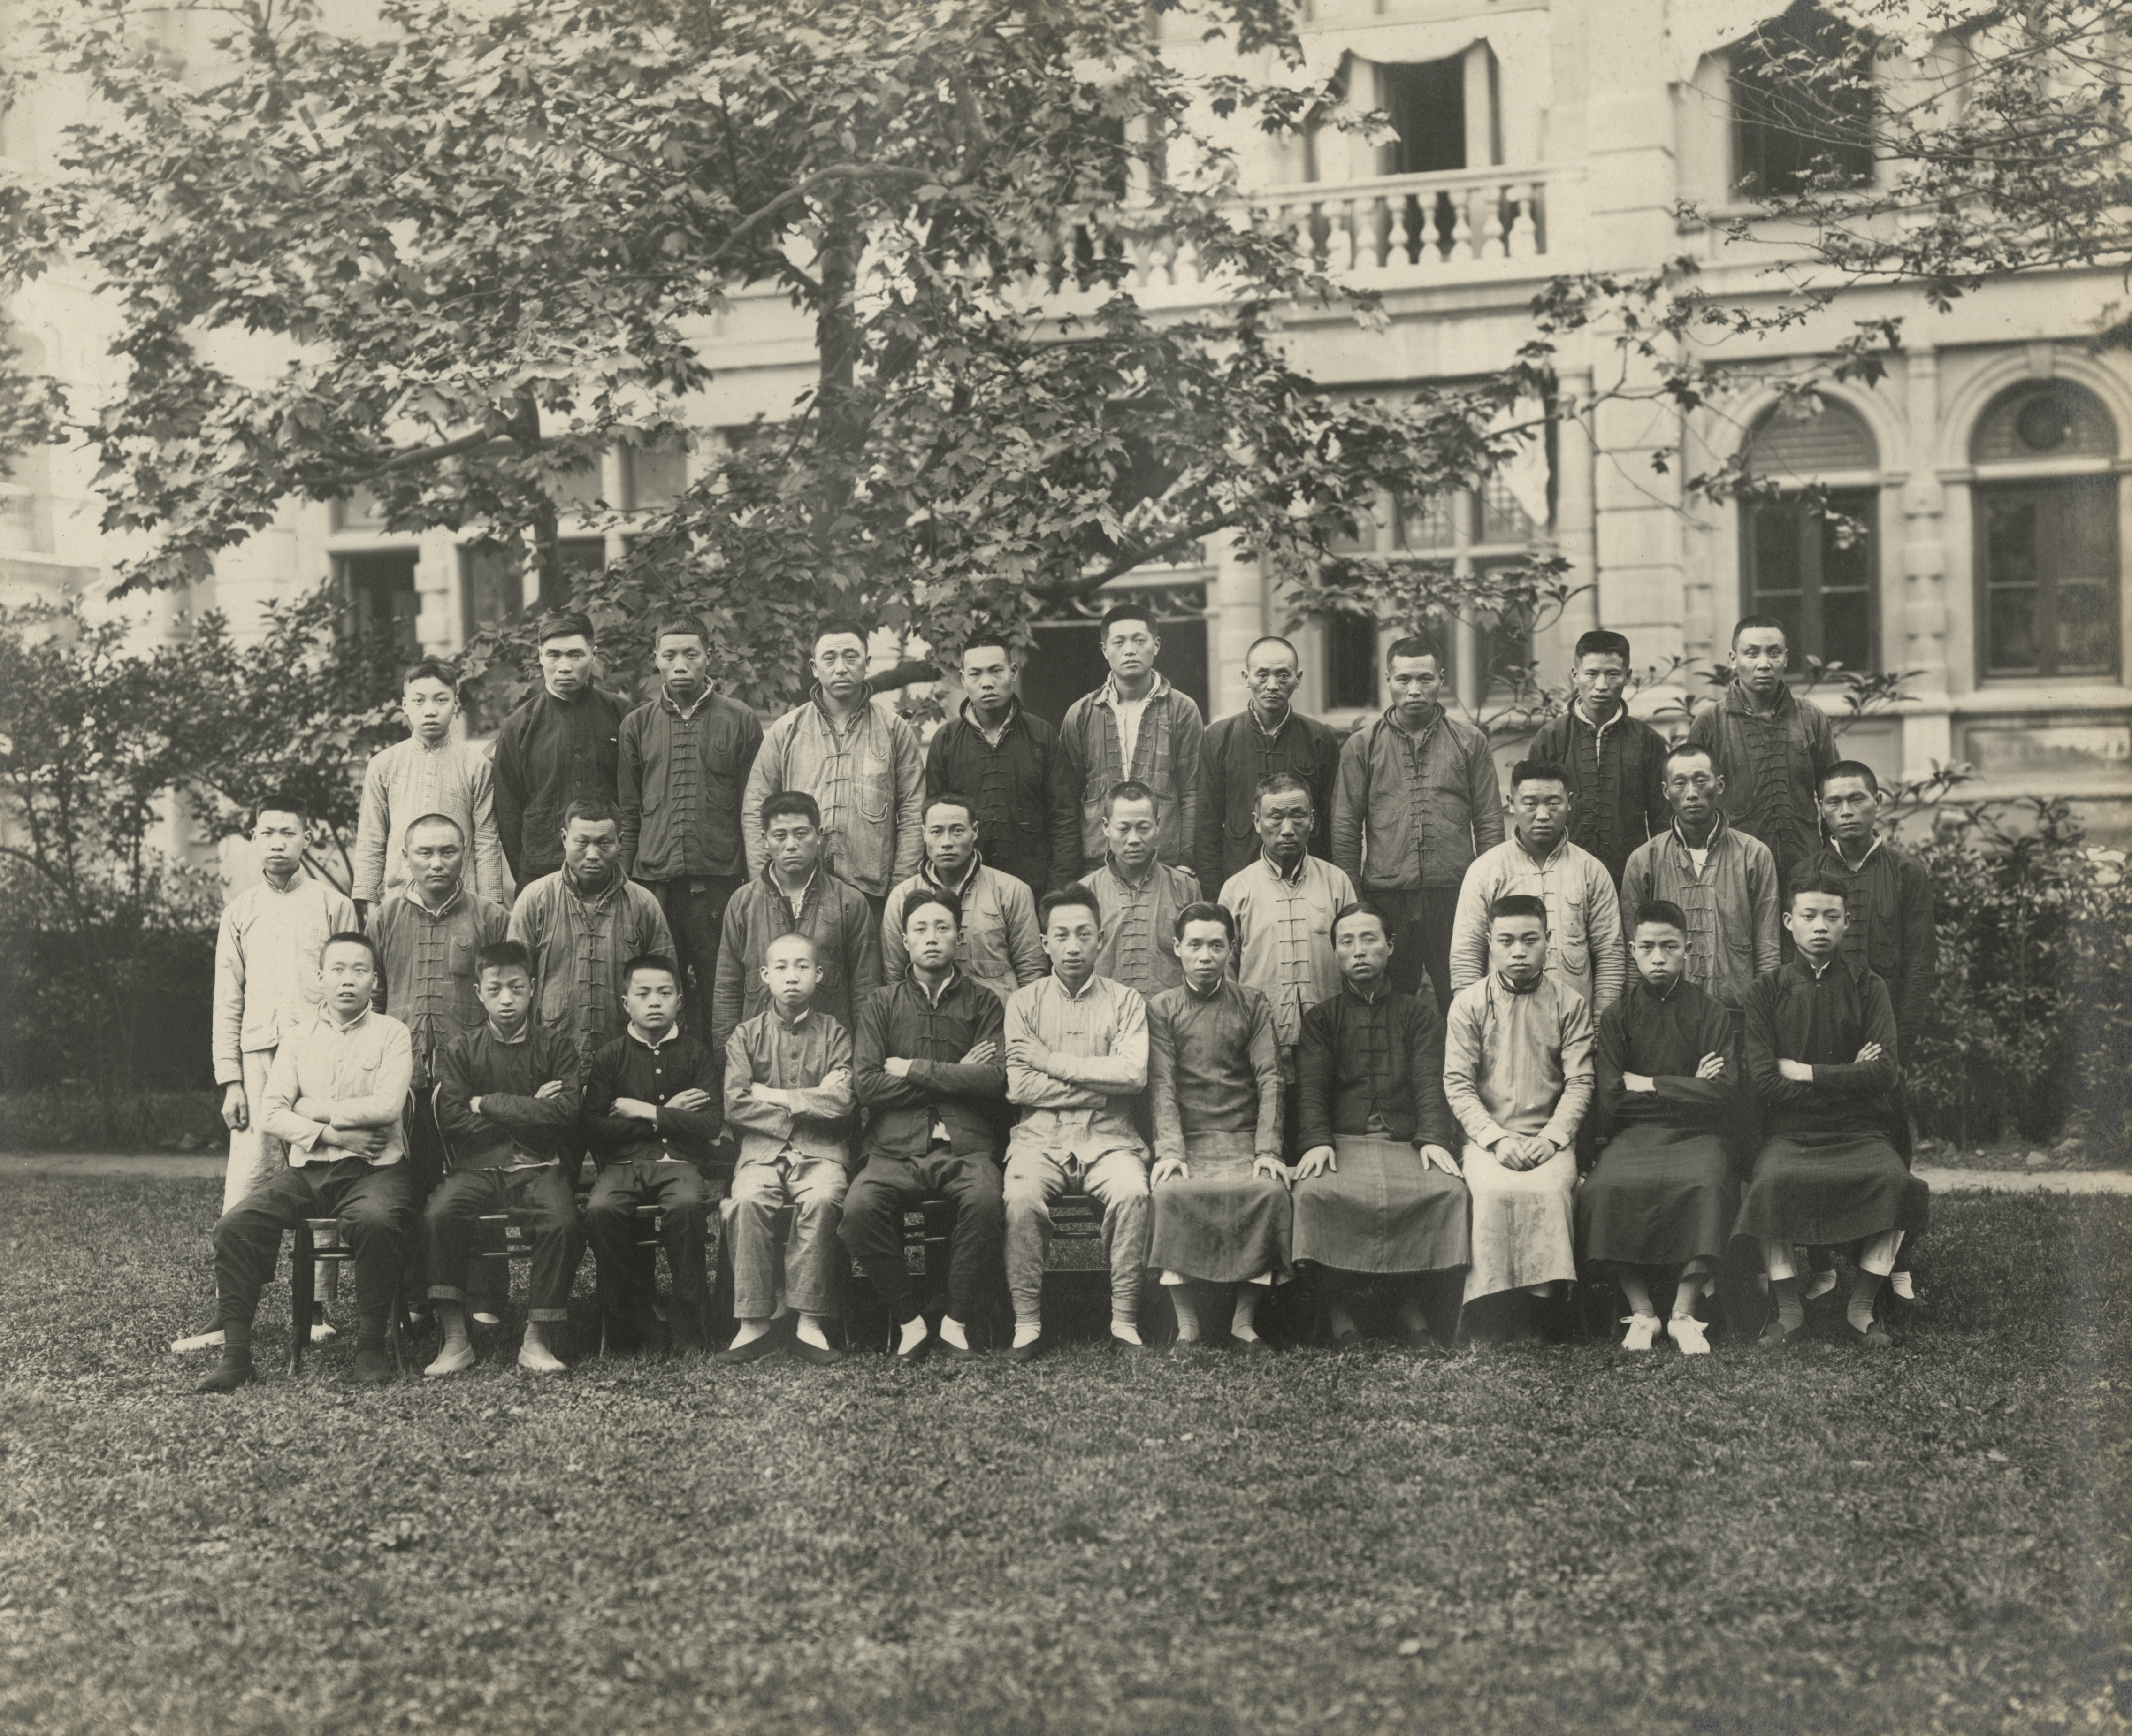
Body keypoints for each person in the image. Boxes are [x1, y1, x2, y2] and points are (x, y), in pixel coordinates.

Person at [177, 795, 359, 1356]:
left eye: (288, 832)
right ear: (254, 839)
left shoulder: (334, 906)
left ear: (308, 840)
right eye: (267, 832)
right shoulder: (241, 911)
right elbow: (226, 1000)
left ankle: (319, 1306)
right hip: (258, 1065)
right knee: (248, 1186)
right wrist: (230, 1079)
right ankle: (232, 1309)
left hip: (318, 1064)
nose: (277, 842)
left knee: (321, 1177)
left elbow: (354, 990)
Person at [194, 933, 414, 1392]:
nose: (348, 981)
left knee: (375, 1222)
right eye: (337, 970)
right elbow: (273, 1112)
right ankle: (237, 1357)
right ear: (320, 979)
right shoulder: (297, 1039)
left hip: (375, 1172)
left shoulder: (393, 1033)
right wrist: (331, 1131)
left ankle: (371, 1346)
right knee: (236, 1225)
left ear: (375, 980)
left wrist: (315, 1107)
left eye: (359, 970)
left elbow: (388, 1106)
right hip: (310, 1170)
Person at [1735, 879, 1930, 1349]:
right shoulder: (1764, 992)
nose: (1819, 927)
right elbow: (1764, 1082)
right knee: (1770, 1184)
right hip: (1789, 1134)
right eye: (1808, 916)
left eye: (1830, 917)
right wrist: (1848, 1079)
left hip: (1860, 1131)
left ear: (1846, 922)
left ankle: (1860, 1306)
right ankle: (1788, 1308)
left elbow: (1884, 1072)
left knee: (1894, 1183)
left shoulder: (1869, 988)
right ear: (1788, 923)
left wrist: (1805, 1073)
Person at [1291, 902, 1469, 1351]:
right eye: (1346, 942)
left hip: (1404, 1139)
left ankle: (1410, 1307)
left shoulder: (1418, 1014)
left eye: (1369, 939)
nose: (1358, 951)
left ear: (1390, 947)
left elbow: (1431, 1083)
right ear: (1335, 953)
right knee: (1314, 1195)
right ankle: (1338, 1311)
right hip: (1342, 1140)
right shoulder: (1321, 1019)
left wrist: (1432, 1137)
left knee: (1445, 1191)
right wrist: (1315, 1141)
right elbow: (1311, 1090)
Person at [845, 890, 1011, 1361]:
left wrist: (915, 1068)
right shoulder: (881, 1004)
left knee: (984, 1201)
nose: (931, 938)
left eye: (942, 928)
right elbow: (868, 1087)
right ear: (904, 940)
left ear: (959, 938)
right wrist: (956, 1073)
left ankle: (956, 1320)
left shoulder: (985, 1002)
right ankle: (909, 1320)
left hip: (965, 1145)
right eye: (920, 929)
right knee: (859, 1208)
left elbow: (994, 1081)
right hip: (895, 1147)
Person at [1577, 901, 1740, 1355]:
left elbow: (1724, 1091)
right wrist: (1691, 1084)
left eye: (1669, 947)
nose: (1658, 957)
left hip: (1698, 1135)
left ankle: (1684, 1312)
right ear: (1632, 950)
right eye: (1647, 947)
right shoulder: (1615, 1018)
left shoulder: (1711, 1013)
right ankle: (1643, 1310)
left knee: (1706, 1185)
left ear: (1686, 949)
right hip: (1634, 1135)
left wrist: (1648, 1082)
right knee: (1601, 1191)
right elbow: (1611, 1096)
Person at [1001, 885, 1154, 1360]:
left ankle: (1125, 1322)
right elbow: (1019, 1088)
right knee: (1021, 1198)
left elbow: (1133, 1075)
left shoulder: (1126, 1001)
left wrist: (1051, 1061)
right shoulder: (1022, 1003)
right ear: (1044, 942)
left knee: (1133, 1193)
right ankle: (1027, 1324)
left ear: (1100, 939)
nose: (1072, 946)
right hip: (1039, 1140)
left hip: (1109, 1139)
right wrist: (1097, 1082)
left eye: (1083, 934)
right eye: (1061, 935)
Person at [368, 812, 509, 1320]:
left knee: (478, 1177)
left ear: (465, 854)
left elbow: (503, 994)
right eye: (424, 853)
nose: (436, 863)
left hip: (469, 1082)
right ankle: (415, 1299)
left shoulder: (490, 917)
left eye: (448, 851)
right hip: (404, 1083)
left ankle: (487, 1297)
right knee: (410, 1185)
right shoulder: (384, 918)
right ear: (405, 858)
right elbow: (375, 996)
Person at [422, 940, 584, 1377]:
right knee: (439, 1213)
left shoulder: (557, 1047)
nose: (507, 999)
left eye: (516, 987)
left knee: (562, 1221)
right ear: (479, 992)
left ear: (533, 988)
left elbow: (565, 1115)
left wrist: (487, 1102)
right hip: (476, 1166)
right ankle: (455, 1340)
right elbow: (453, 1120)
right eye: (495, 989)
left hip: (538, 1165)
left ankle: (537, 1339)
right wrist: (530, 1107)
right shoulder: (461, 1049)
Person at [1443, 895, 1596, 1341]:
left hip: (1549, 1138)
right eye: (1506, 940)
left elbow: (1580, 1082)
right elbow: (1458, 1084)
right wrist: (1495, 1139)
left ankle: (1541, 1310)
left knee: (1549, 1192)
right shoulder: (1469, 1004)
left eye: (1530, 940)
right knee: (1491, 1193)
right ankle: (1493, 1310)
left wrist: (1552, 1138)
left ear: (1548, 941)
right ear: (1489, 943)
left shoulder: (1569, 1003)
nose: (1518, 952)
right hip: (1489, 1140)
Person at [1331, 634, 1505, 1011]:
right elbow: (1345, 827)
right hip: (1387, 899)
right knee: (1391, 1001)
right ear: (1388, 681)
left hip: (1456, 897)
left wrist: (1488, 895)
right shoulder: (1362, 746)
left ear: (1441, 678)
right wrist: (1356, 903)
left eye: (1425, 679)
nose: (1414, 690)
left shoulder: (1469, 742)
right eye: (1403, 679)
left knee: (1465, 998)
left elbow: (1490, 821)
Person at [1146, 903, 1291, 1353]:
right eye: (1195, 945)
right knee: (1170, 1195)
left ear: (1232, 948)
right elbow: (1162, 1085)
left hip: (1244, 1138)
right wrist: (1171, 1152)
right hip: (1189, 1141)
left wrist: (1267, 1149)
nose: (1205, 956)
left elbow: (1270, 1078)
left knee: (1268, 1193)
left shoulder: (1252, 1003)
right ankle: (1187, 1324)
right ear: (1177, 949)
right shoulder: (1162, 1008)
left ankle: (1242, 1323)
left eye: (1216, 945)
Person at [617, 611, 764, 1029]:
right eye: (670, 655)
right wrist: (626, 883)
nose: (680, 665)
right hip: (654, 885)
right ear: (657, 659)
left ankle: (720, 1080)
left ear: (709, 656)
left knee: (722, 987)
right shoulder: (637, 725)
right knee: (660, 987)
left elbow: (752, 808)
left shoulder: (740, 720)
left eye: (691, 654)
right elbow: (629, 811)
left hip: (719, 886)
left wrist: (754, 879)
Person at [719, 933, 857, 1365]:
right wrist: (812, 1099)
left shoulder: (835, 1033)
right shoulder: (746, 1036)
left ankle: (809, 1319)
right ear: (764, 976)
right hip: (761, 1150)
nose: (791, 976)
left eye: (802, 967)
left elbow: (842, 1103)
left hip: (821, 1152)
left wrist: (777, 1096)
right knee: (747, 1199)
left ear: (818, 975)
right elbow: (736, 1103)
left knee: (821, 1199)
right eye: (780, 967)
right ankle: (754, 1320)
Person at [581, 955, 723, 1354]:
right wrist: (672, 1116)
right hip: (622, 1166)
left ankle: (689, 1318)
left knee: (687, 1205)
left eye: (665, 993)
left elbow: (710, 1123)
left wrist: (647, 1111)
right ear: (625, 1002)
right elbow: (596, 1128)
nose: (654, 1001)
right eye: (643, 994)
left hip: (679, 1165)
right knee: (601, 1210)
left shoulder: (696, 1054)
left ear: (680, 999)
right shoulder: (610, 1056)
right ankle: (630, 1315)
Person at [742, 621, 925, 914]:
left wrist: (900, 889)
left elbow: (915, 813)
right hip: (798, 892)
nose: (841, 667)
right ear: (815, 668)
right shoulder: (786, 730)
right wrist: (770, 885)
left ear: (867, 663)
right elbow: (755, 808)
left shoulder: (895, 730)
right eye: (830, 658)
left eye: (851, 657)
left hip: (873, 896)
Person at [507, 797, 675, 1099]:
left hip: (626, 1064)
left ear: (621, 842)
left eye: (604, 844)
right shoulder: (535, 899)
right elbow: (514, 986)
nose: (593, 855)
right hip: (549, 1065)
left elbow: (667, 986)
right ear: (564, 839)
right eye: (582, 843)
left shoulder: (643, 904)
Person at [1619, 743, 1782, 1033]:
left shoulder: (1754, 855)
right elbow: (1633, 955)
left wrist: (1765, 1019)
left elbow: (1768, 948)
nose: (1692, 793)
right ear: (1666, 791)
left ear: (1719, 785)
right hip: (1664, 1019)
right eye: (1680, 783)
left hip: (1737, 1017)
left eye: (1701, 780)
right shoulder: (1645, 860)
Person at [1217, 773, 1356, 1105]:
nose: (1288, 828)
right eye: (1275, 817)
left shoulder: (1336, 882)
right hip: (1258, 1042)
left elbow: (1355, 960)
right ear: (1256, 822)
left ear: (1313, 819)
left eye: (1298, 816)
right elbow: (1226, 971)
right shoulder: (1236, 890)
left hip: (1330, 1042)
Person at [711, 791, 883, 1058]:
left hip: (830, 1058)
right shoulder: (742, 903)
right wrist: (728, 1065)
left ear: (819, 836)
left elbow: (865, 990)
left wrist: (863, 1063)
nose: (791, 845)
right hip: (759, 1058)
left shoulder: (850, 901)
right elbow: (726, 991)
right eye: (780, 836)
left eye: (801, 834)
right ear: (765, 840)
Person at [1449, 759, 1625, 1015]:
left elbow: (1610, 958)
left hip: (1575, 1029)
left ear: (1570, 802)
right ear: (1512, 804)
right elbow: (1466, 958)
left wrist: (1599, 1030)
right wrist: (1477, 1024)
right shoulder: (1485, 870)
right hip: (1504, 1025)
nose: (1543, 815)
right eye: (1530, 804)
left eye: (1553, 803)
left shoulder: (1591, 871)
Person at [353, 659, 512, 921]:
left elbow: (486, 840)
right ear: (405, 705)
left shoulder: (476, 765)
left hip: (464, 903)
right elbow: (372, 838)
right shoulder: (384, 764)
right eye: (419, 701)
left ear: (456, 704)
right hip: (398, 900)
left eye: (441, 700)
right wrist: (372, 908)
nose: (430, 711)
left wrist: (489, 907)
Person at [1684, 614, 1839, 885]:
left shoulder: (1811, 717)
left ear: (1786, 658)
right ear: (1734, 660)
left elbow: (1833, 796)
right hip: (1734, 874)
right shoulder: (1710, 723)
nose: (1764, 664)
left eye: (1774, 653)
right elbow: (1692, 805)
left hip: (1806, 870)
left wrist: (1831, 861)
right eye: (1752, 654)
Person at [925, 630, 1079, 898]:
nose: (987, 683)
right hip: (964, 893)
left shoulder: (1042, 735)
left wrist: (1056, 895)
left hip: (1035, 892)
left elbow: (1064, 819)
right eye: (976, 674)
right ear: (963, 679)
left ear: (1014, 672)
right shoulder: (946, 741)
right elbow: (932, 824)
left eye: (996, 671)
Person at [1060, 602, 1204, 872]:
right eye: (1119, 642)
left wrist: (1187, 860)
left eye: (1140, 641)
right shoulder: (1081, 714)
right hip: (1097, 864)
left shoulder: (1182, 710)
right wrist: (1071, 868)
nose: (1130, 651)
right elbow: (1067, 797)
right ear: (1105, 650)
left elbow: (1192, 791)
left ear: (1157, 645)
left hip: (1166, 861)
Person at [491, 612, 631, 889]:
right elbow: (508, 809)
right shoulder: (519, 726)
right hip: (542, 873)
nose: (564, 666)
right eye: (554, 655)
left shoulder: (623, 717)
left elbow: (636, 800)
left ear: (594, 654)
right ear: (540, 655)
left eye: (576, 655)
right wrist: (527, 875)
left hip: (611, 872)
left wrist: (624, 863)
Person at [1193, 635, 1343, 895]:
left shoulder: (1319, 738)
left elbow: (1332, 823)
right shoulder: (1219, 738)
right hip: (1239, 881)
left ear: (1298, 678)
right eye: (1262, 675)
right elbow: (1207, 827)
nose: (1272, 685)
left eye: (1283, 676)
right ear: (1246, 677)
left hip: (1307, 883)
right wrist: (1215, 897)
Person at [1522, 630, 1671, 888]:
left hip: (1630, 877)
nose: (1601, 685)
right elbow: (1534, 813)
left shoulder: (1648, 740)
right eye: (1591, 674)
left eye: (1613, 674)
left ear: (1628, 677)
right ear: (1575, 675)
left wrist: (1658, 875)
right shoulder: (1551, 738)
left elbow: (1662, 818)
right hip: (1563, 875)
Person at [879, 792, 1045, 1007]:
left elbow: (1032, 972)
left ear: (975, 831)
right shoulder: (902, 897)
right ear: (924, 834)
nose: (947, 842)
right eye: (937, 832)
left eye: (957, 830)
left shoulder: (1012, 891)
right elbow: (893, 976)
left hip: (998, 1025)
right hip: (927, 1026)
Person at [1074, 780, 1200, 998]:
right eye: (1123, 829)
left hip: (1169, 1023)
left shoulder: (1186, 888)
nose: (1134, 840)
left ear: (1158, 825)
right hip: (1106, 1020)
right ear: (1106, 827)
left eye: (1144, 828)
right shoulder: (1084, 893)